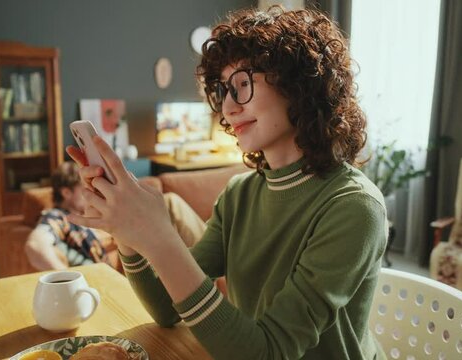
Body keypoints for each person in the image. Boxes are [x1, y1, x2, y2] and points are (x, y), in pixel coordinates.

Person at [67, 6, 387, 360]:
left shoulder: (354, 207)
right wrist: (128, 236)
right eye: (223, 91)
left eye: (243, 85)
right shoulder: (240, 194)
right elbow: (166, 309)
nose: (228, 108)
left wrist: (160, 240)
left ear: (300, 86)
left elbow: (268, 352)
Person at [25, 162, 205, 271]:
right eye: (83, 189)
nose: (91, 191)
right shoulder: (58, 217)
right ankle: (215, 266)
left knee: (170, 204)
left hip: (145, 253)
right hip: (130, 270)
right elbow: (35, 245)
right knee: (170, 203)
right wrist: (66, 280)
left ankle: (211, 266)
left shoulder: (92, 212)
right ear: (66, 192)